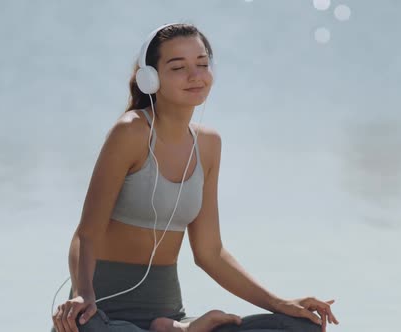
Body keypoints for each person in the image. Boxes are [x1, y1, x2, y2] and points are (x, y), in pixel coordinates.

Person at [51, 23, 339, 332]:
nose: (195, 75)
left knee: (300, 327)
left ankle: (172, 328)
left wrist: (279, 303)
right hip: (104, 315)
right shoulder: (131, 132)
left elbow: (210, 253)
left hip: (169, 310)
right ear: (150, 78)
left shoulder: (208, 144)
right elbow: (86, 234)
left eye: (202, 64)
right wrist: (83, 294)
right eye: (178, 67)